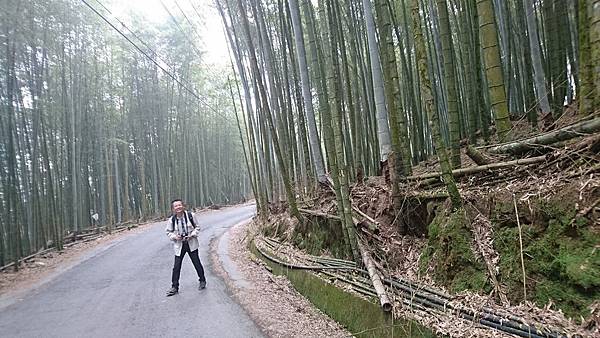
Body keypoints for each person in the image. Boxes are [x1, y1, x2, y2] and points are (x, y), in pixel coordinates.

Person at [165, 199, 206, 296]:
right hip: (180, 245)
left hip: (191, 242)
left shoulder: (191, 216)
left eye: (179, 205)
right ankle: (174, 287)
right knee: (176, 266)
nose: (178, 207)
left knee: (196, 262)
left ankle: (202, 280)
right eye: (176, 206)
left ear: (183, 206)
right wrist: (175, 237)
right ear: (173, 209)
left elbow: (197, 227)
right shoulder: (172, 220)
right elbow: (168, 232)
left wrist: (192, 235)